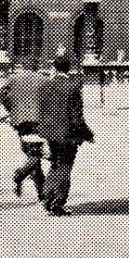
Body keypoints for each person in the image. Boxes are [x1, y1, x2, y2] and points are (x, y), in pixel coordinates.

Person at [38, 54, 94, 216]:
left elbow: (41, 112)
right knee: (65, 165)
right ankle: (57, 202)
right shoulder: (73, 87)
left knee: (55, 163)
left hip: (50, 132)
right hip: (67, 133)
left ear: (54, 67)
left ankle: (48, 196)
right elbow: (77, 116)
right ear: (68, 69)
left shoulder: (45, 86)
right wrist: (86, 133)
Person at [0, 58, 46, 199]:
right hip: (37, 121)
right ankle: (20, 174)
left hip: (20, 121)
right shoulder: (42, 79)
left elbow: (1, 95)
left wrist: (11, 109)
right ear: (36, 66)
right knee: (35, 154)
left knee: (32, 152)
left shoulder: (13, 78)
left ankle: (41, 193)